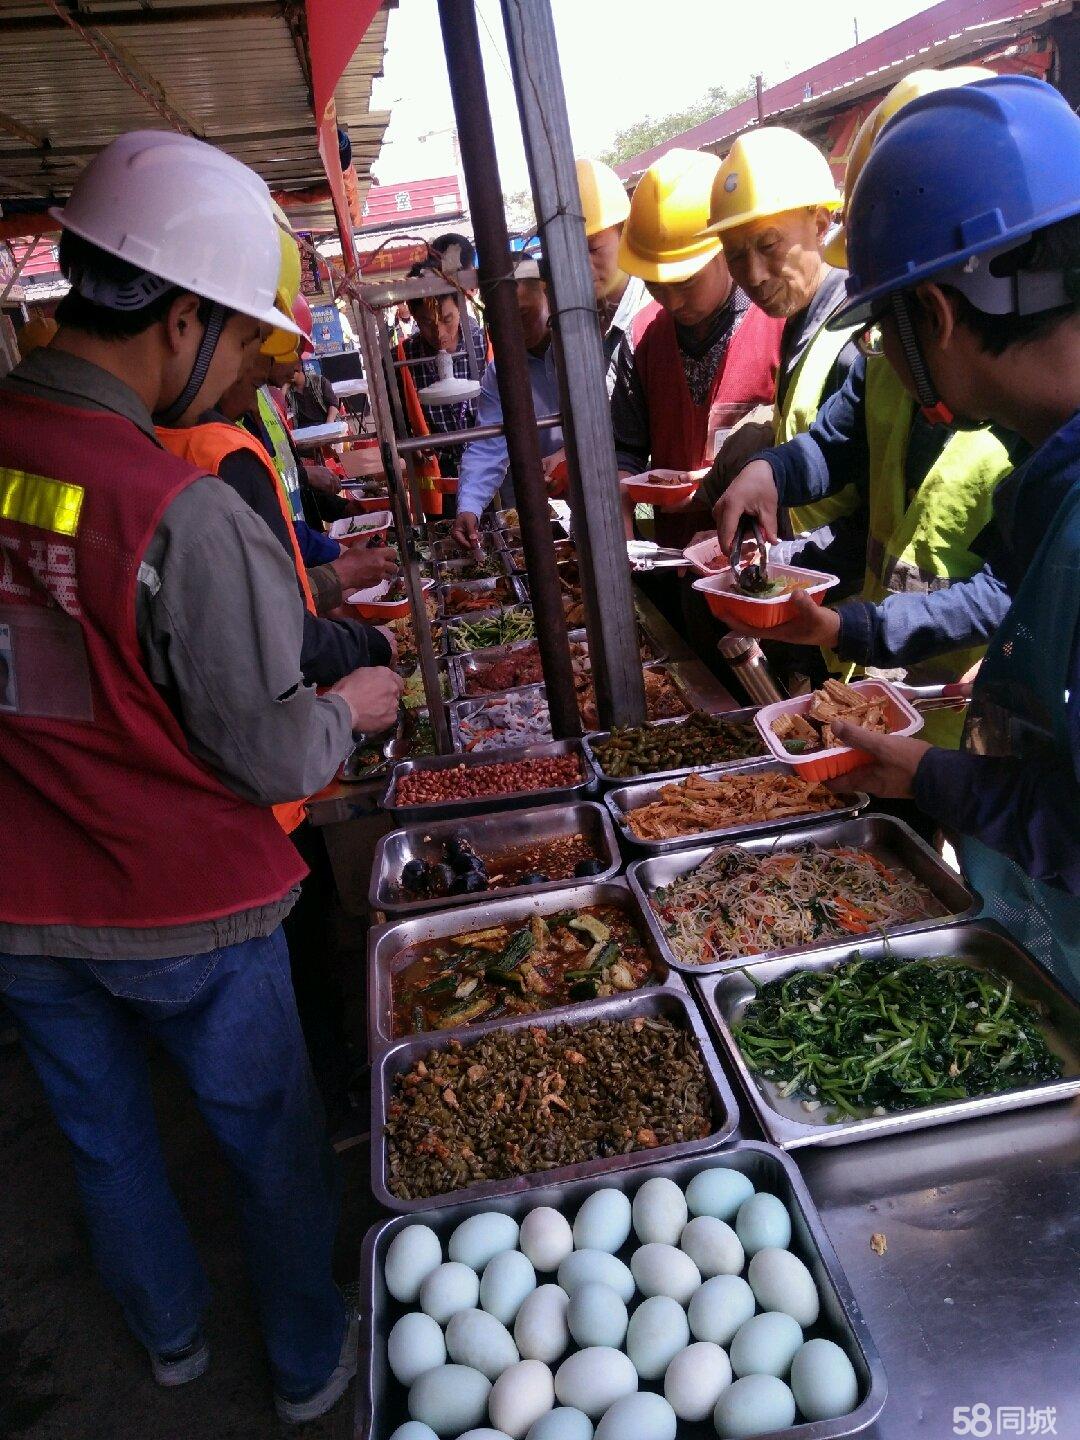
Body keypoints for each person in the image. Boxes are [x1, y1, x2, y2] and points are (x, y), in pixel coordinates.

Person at [0, 131, 401, 1424]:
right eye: (239, 341)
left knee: (105, 1137)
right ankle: (301, 1365)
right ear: (179, 322)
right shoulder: (176, 508)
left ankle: (168, 1339)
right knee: (270, 1142)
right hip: (188, 906)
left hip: (22, 901)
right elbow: (271, 747)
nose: (239, 374)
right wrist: (354, 700)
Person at [720, 75, 1080, 990]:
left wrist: (928, 774)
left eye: (887, 324)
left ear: (938, 315)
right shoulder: (1055, 471)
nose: (879, 354)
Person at [711, 70, 1019, 745]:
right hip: (899, 697)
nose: (876, 341)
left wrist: (849, 625)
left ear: (935, 312)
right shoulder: (889, 364)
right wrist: (770, 471)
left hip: (985, 723)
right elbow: (833, 443)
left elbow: (1008, 590)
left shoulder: (1040, 431)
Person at [611, 147, 784, 548]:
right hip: (673, 555)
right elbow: (626, 447)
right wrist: (622, 506)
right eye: (655, 285)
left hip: (761, 558)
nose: (671, 302)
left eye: (686, 283)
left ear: (725, 248)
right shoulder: (642, 337)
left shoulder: (777, 323)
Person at [698, 127, 862, 521]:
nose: (753, 275)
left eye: (769, 246)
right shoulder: (800, 318)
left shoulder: (856, 335)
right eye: (735, 256)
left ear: (821, 225)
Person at [451, 256, 563, 551]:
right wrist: (470, 506)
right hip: (536, 508)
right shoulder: (500, 373)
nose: (514, 329)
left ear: (548, 295)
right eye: (503, 320)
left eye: (524, 314)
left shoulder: (582, 348)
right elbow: (488, 444)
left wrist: (570, 456)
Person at [401, 255, 487, 475]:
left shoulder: (486, 345)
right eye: (428, 323)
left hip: (492, 460)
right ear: (414, 316)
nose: (439, 334)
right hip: (441, 471)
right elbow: (396, 425)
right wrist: (410, 448)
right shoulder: (402, 359)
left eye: (447, 320)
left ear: (461, 306)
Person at [576, 157, 651, 393]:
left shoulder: (655, 317)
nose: (579, 264)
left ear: (625, 233)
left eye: (592, 248)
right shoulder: (569, 325)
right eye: (567, 253)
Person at [288, 356, 338, 429]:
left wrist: (329, 423)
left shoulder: (319, 381)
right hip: (303, 429)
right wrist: (284, 388)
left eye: (290, 372)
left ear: (299, 368)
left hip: (324, 423)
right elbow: (282, 411)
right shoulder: (289, 390)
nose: (287, 375)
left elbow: (333, 404)